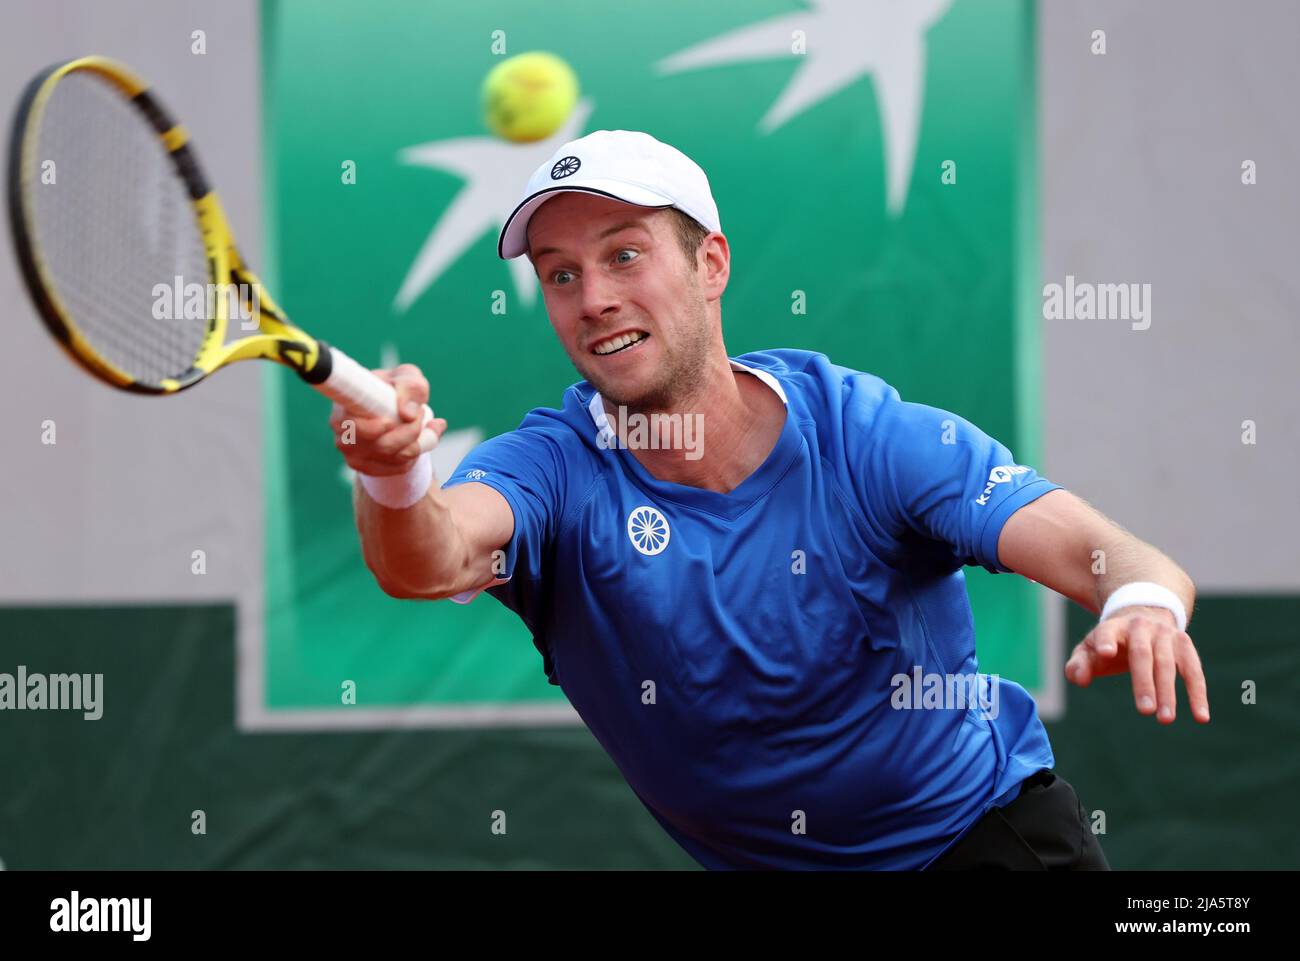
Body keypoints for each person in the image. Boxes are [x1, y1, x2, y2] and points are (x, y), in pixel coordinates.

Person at [331, 130, 1209, 870]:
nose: (594, 299)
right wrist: (393, 474)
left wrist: (1139, 602)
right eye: (560, 275)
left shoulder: (868, 439)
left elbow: (1111, 554)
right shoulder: (554, 467)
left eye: (624, 255)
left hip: (982, 848)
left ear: (710, 263)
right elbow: (429, 557)